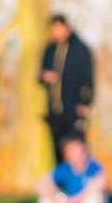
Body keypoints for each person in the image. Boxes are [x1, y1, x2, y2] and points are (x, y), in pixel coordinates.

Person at [40, 14, 95, 164]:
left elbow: (87, 79)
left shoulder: (80, 50)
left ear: (66, 28)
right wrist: (45, 76)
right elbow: (41, 73)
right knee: (58, 152)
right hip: (55, 111)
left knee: (77, 150)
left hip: (74, 110)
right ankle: (62, 178)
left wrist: (85, 102)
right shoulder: (49, 49)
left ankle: (81, 178)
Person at [35, 136, 112, 203]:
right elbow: (40, 184)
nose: (76, 155)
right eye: (71, 152)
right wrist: (55, 198)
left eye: (78, 151)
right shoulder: (64, 169)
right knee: (44, 200)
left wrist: (75, 201)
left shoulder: (94, 167)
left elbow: (100, 184)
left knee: (96, 197)